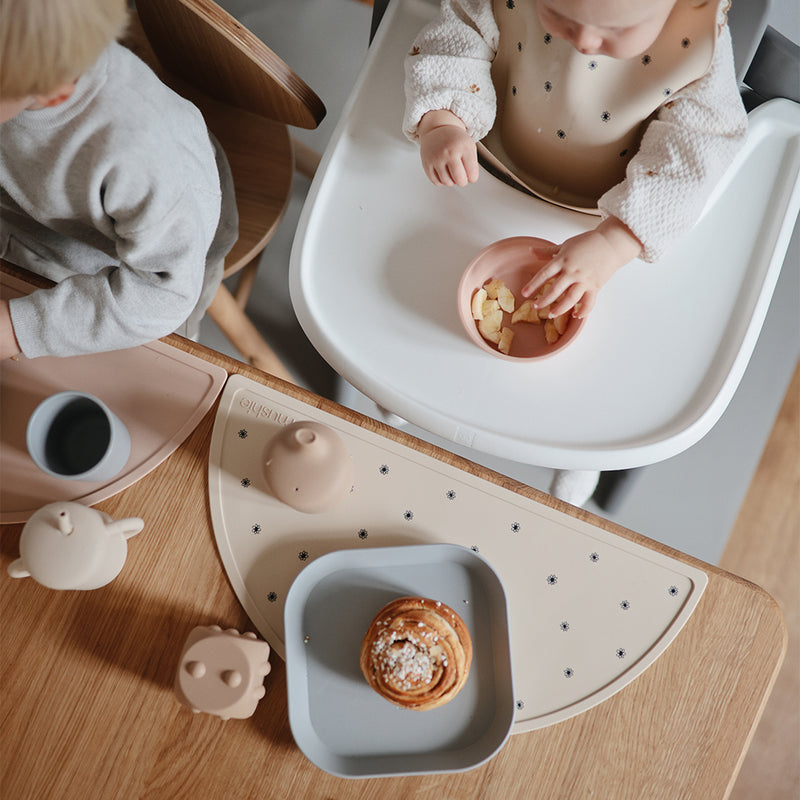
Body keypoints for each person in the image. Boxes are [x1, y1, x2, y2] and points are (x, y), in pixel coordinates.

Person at [403, 0, 747, 505]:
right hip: (492, 160)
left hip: (628, 207)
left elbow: (697, 154)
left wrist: (615, 241)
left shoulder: (698, 52)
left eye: (617, 29)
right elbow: (456, 35)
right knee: (420, 311)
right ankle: (404, 407)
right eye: (559, 14)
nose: (584, 42)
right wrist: (443, 121)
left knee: (606, 372)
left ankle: (583, 454)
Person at [0, 0, 238, 361]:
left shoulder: (136, 153)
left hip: (156, 266)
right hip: (31, 216)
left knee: (158, 367)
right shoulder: (20, 73)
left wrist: (16, 331)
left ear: (54, 91)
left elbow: (164, 297)